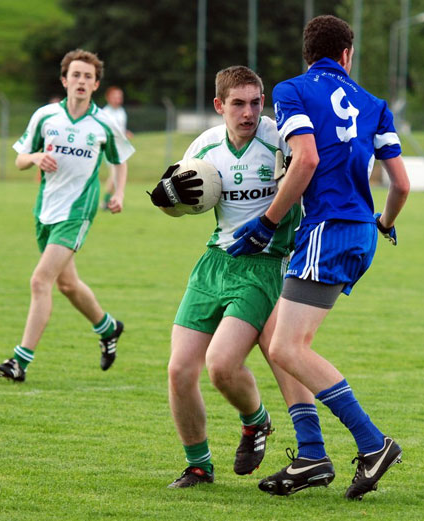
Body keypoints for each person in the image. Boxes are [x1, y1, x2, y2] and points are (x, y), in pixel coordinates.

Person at [227, 15, 410, 500]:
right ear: (347, 55)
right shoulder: (374, 104)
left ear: (309, 55)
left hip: (325, 230)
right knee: (287, 342)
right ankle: (311, 455)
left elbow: (305, 160)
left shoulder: (294, 90)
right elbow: (402, 185)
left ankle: (374, 444)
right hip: (362, 233)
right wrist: (385, 225)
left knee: (286, 348)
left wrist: (266, 223)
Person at [149, 65, 304, 488]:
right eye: (238, 103)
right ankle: (199, 465)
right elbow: (179, 206)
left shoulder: (281, 139)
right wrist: (167, 200)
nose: (249, 112)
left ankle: (255, 422)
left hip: (265, 265)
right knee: (179, 369)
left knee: (220, 365)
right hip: (214, 261)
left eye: (256, 102)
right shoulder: (204, 147)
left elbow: (308, 174)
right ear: (220, 106)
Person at [0, 49, 135, 382]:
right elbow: (20, 159)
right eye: (76, 75)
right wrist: (37, 157)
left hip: (77, 212)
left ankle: (19, 362)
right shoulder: (45, 117)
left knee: (40, 280)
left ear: (95, 83)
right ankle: (108, 327)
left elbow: (120, 160)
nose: (81, 81)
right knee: (68, 285)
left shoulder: (103, 123)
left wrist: (119, 193)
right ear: (64, 80)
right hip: (46, 210)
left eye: (88, 76)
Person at [101, 86, 134, 210]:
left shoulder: (121, 111)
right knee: (115, 175)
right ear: (108, 98)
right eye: (115, 97)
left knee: (117, 176)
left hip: (120, 148)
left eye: (119, 97)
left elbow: (120, 129)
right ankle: (106, 202)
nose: (118, 99)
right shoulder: (105, 113)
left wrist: (126, 133)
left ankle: (110, 200)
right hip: (110, 148)